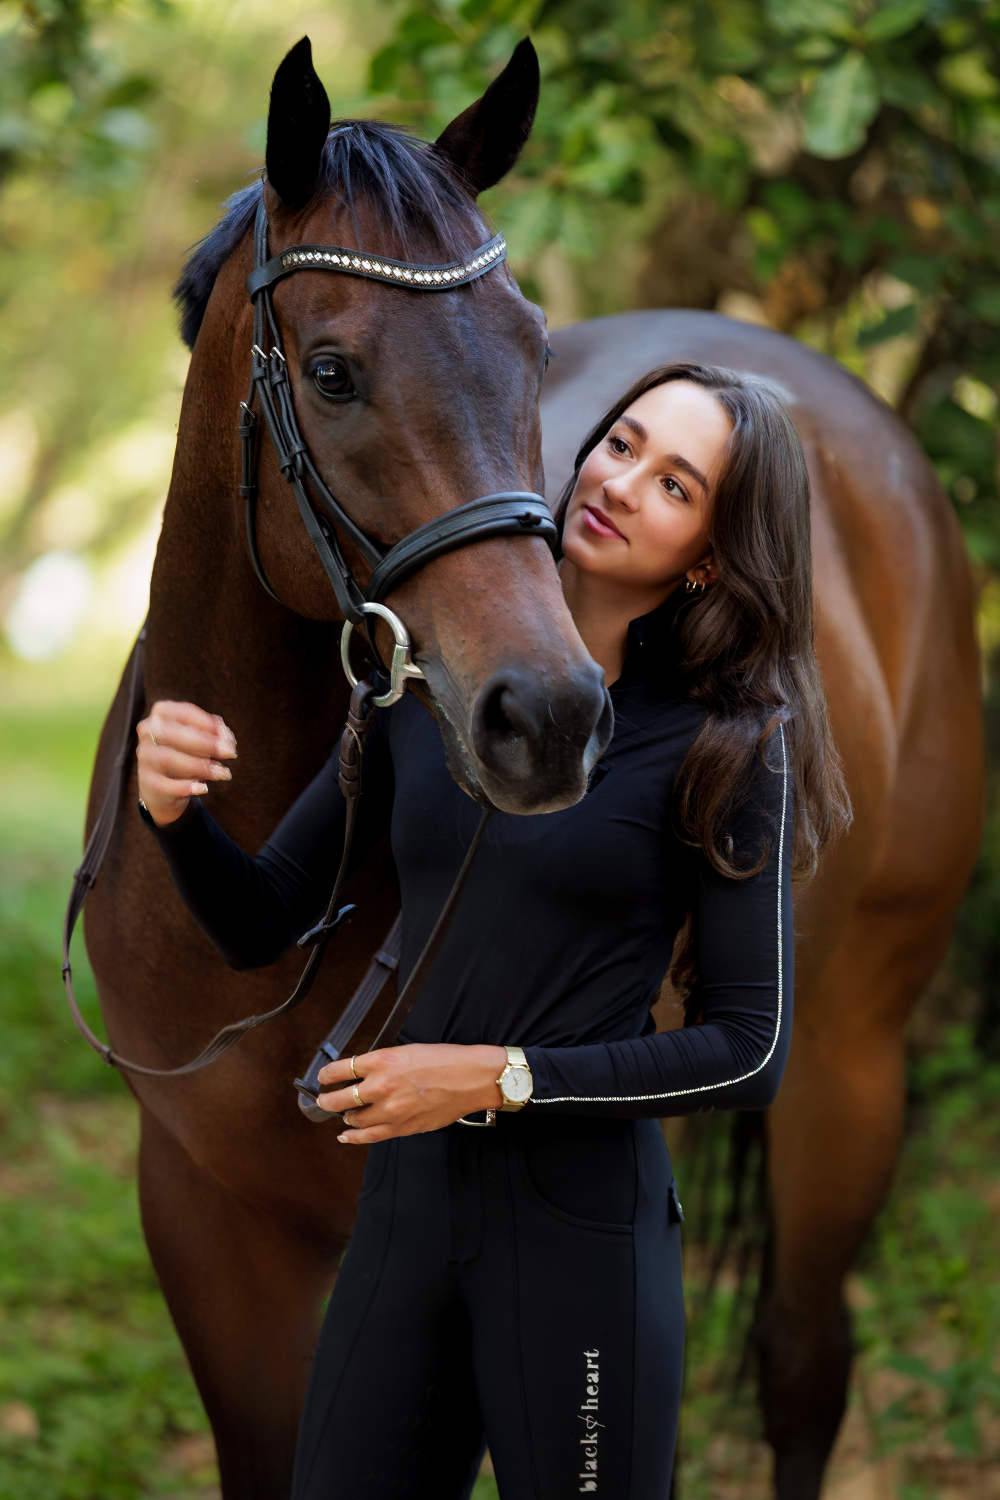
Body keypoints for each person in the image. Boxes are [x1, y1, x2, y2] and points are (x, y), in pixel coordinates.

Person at [136, 363, 848, 1500]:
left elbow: (749, 1050)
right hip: (407, 1214)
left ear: (707, 554)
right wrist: (172, 812)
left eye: (675, 484)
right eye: (622, 443)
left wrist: (496, 1078)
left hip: (580, 1240)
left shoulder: (725, 745)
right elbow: (261, 919)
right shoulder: (422, 683)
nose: (620, 481)